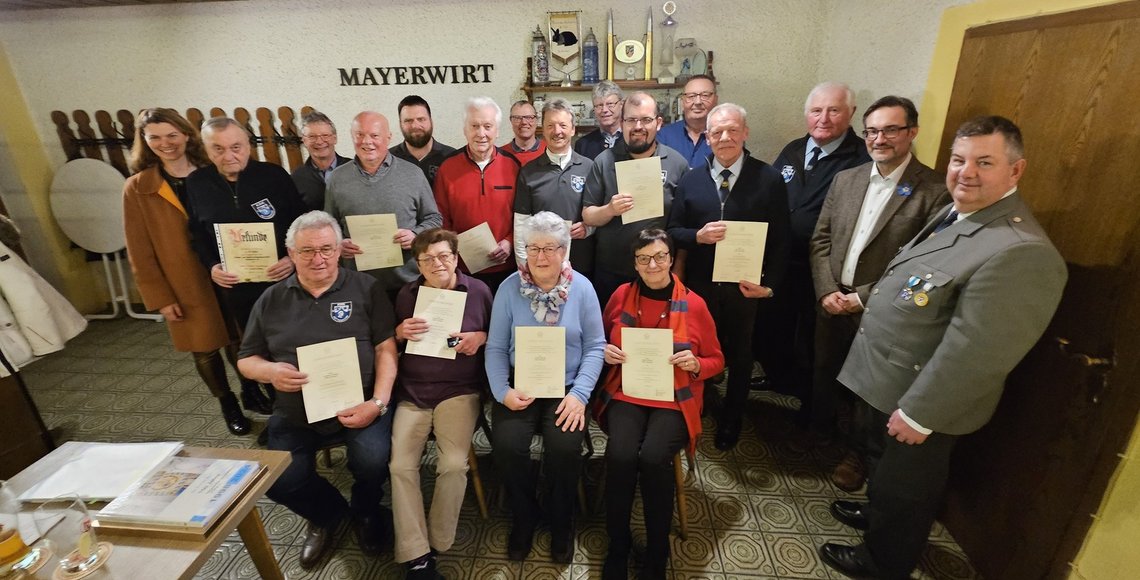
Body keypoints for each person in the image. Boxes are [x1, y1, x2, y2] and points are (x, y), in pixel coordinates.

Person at [819, 116, 1067, 580]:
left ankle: (882, 562)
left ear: (1015, 171)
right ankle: (876, 519)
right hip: (887, 378)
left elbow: (979, 351)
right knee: (883, 472)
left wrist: (921, 413)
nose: (965, 172)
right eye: (958, 160)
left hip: (921, 398)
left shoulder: (1019, 249)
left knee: (905, 488)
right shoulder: (959, 213)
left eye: (984, 162)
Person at [237, 211, 397, 570]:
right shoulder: (270, 299)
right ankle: (329, 514)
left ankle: (367, 510)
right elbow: (246, 359)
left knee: (373, 461)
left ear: (340, 249)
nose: (318, 258)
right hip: (296, 411)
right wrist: (270, 371)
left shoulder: (366, 288)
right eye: (307, 251)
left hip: (361, 403)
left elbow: (387, 349)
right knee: (278, 479)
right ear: (291, 254)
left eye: (326, 249)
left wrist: (379, 402)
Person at [808, 95, 950, 490]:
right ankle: (819, 435)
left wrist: (863, 297)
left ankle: (858, 454)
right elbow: (820, 240)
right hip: (832, 299)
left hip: (881, 309)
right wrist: (826, 290)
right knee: (825, 371)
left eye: (890, 130)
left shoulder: (934, 191)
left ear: (912, 132)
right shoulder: (847, 179)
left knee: (869, 391)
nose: (879, 139)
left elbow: (925, 265)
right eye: (872, 131)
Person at [122, 108, 267, 436]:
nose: (166, 143)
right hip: (185, 280)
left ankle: (252, 390)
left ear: (187, 135)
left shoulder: (213, 172)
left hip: (230, 270)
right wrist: (160, 297)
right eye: (155, 137)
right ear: (144, 142)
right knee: (204, 347)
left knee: (239, 337)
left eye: (172, 135)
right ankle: (226, 402)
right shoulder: (138, 187)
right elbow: (138, 249)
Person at [594, 229, 724, 580]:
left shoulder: (694, 304)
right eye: (643, 258)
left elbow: (717, 359)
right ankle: (617, 546)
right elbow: (599, 341)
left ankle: (657, 552)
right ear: (634, 263)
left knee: (653, 458)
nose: (652, 264)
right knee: (620, 455)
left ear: (671, 259)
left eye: (660, 256)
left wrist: (697, 364)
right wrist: (605, 352)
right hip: (628, 391)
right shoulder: (621, 295)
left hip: (674, 396)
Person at [666, 103, 789, 451]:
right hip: (700, 286)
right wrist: (697, 237)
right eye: (717, 132)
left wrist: (770, 287)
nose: (725, 138)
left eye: (733, 130)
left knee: (740, 354)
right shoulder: (692, 179)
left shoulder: (768, 179)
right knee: (699, 349)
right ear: (707, 137)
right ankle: (699, 404)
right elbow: (674, 230)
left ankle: (732, 417)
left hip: (744, 288)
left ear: (745, 133)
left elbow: (781, 240)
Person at [485, 212, 605, 564]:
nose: (540, 257)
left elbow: (596, 346)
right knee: (506, 446)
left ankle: (560, 519)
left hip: (566, 388)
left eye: (550, 248)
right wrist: (502, 391)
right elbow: (494, 347)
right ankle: (524, 514)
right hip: (520, 385)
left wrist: (579, 395)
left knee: (565, 449)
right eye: (533, 248)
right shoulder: (509, 288)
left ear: (564, 251)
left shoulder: (582, 288)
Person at [752, 82, 871, 417]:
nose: (824, 118)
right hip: (780, 262)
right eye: (816, 111)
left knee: (815, 339)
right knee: (776, 326)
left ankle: (812, 405)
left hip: (824, 269)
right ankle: (780, 379)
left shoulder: (861, 159)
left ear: (851, 114)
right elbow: (770, 196)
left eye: (833, 110)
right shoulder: (792, 150)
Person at [391, 228, 492, 579]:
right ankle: (417, 556)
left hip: (459, 392)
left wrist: (480, 337)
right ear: (418, 264)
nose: (437, 264)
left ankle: (436, 541)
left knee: (452, 465)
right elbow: (391, 343)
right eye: (427, 259)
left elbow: (500, 336)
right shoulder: (406, 295)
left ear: (456, 256)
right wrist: (399, 333)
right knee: (400, 467)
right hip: (413, 394)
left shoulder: (479, 291)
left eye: (444, 256)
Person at [186, 117, 307, 333]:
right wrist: (212, 265)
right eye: (218, 149)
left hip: (281, 281)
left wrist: (293, 259)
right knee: (253, 344)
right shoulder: (197, 183)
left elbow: (301, 223)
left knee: (292, 340)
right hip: (235, 287)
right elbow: (198, 232)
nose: (229, 156)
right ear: (206, 149)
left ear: (248, 144)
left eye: (236, 147)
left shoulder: (274, 176)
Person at [582, 92, 689, 307]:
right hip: (612, 272)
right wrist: (610, 209)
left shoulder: (677, 163)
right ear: (622, 123)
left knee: (654, 336)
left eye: (646, 119)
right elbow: (588, 215)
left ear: (658, 123)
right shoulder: (603, 161)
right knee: (613, 335)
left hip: (659, 272)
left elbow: (684, 225)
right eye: (631, 120)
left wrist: (678, 268)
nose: (638, 126)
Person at [325, 111, 442, 302]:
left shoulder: (413, 174)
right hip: (358, 285)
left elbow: (434, 219)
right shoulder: (337, 178)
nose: (366, 141)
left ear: (388, 138)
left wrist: (415, 234)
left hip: (407, 282)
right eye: (360, 135)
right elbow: (329, 224)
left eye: (374, 135)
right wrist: (338, 243)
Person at [433, 97, 520, 292]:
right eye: (474, 126)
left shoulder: (513, 166)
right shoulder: (447, 167)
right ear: (465, 130)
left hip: (507, 268)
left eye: (487, 126)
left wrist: (509, 242)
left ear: (497, 131)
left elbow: (522, 215)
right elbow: (440, 217)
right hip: (462, 271)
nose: (481, 133)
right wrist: (453, 247)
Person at [514, 98, 595, 278]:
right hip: (542, 266)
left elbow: (599, 213)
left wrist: (589, 228)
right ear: (543, 130)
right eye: (550, 126)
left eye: (563, 125)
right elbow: (521, 224)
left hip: (582, 263)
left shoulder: (589, 168)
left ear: (573, 129)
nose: (557, 131)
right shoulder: (528, 172)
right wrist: (524, 266)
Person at [291, 111, 350, 210]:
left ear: (335, 138)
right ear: (304, 141)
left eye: (325, 135)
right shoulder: (297, 178)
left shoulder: (354, 169)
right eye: (312, 136)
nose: (319, 141)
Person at [389, 95, 456, 184]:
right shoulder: (388, 159)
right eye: (408, 121)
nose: (415, 126)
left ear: (431, 121)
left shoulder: (453, 158)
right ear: (400, 124)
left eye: (421, 119)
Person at [656, 74, 717, 168]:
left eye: (705, 95)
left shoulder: (725, 136)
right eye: (691, 96)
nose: (698, 102)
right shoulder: (664, 136)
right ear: (682, 102)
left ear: (716, 100)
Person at [574, 80, 625, 160]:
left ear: (621, 105)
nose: (604, 110)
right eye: (599, 105)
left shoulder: (633, 139)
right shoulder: (583, 145)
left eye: (610, 104)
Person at [502, 100, 546, 165]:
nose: (524, 122)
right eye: (517, 118)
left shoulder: (550, 151)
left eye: (529, 117)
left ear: (536, 120)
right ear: (511, 121)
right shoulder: (501, 155)